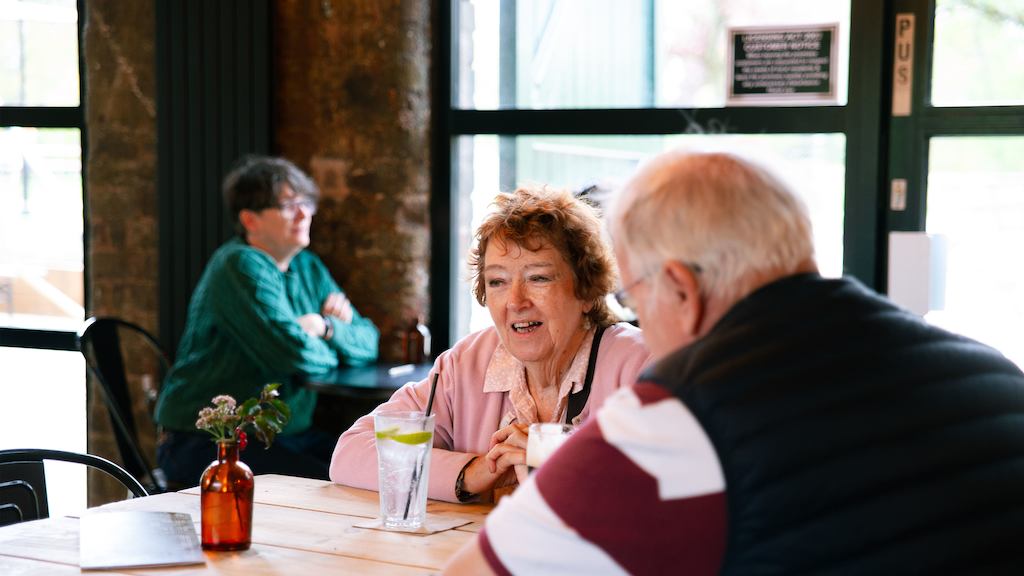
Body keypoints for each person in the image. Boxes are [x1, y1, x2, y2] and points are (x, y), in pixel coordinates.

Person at [445, 151, 1024, 575]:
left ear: (680, 289)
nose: (637, 322)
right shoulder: (993, 376)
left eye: (637, 299)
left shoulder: (680, 424)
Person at [330, 186, 651, 502]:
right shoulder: (466, 364)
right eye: (497, 281)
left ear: (586, 290)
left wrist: (555, 461)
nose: (515, 301)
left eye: (538, 278)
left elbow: (675, 495)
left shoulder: (640, 366)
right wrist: (474, 471)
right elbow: (352, 453)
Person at [155, 155, 379, 486]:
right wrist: (327, 345)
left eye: (305, 203)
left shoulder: (307, 266)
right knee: (339, 487)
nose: (304, 213)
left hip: (285, 435)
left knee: (373, 471)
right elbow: (295, 354)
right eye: (288, 205)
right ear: (250, 219)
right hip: (212, 442)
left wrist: (323, 327)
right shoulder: (239, 266)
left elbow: (368, 341)